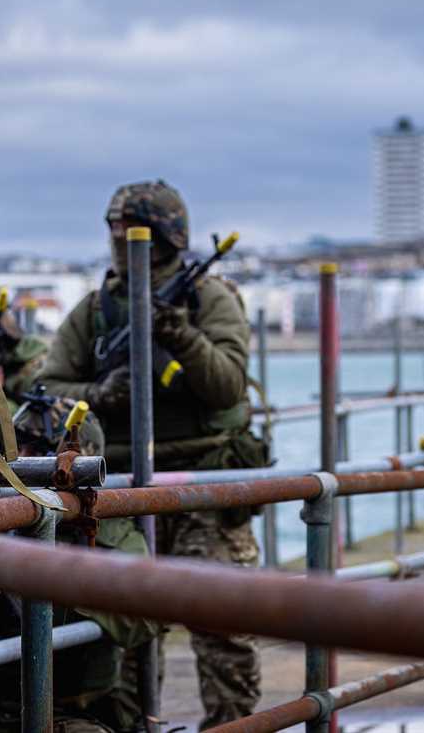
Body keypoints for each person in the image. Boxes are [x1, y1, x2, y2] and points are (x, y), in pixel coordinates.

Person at [36, 180, 266, 728]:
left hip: (205, 479)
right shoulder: (97, 309)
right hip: (123, 491)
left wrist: (179, 334)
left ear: (167, 235)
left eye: (131, 230)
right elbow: (47, 388)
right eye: (113, 229)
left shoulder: (207, 299)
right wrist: (102, 394)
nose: (121, 240)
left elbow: (227, 385)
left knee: (223, 625)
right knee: (128, 630)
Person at [0, 395, 157, 733]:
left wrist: (48, 596)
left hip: (73, 704)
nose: (23, 459)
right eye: (19, 446)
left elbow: (145, 609)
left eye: (35, 449)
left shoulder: (111, 532)